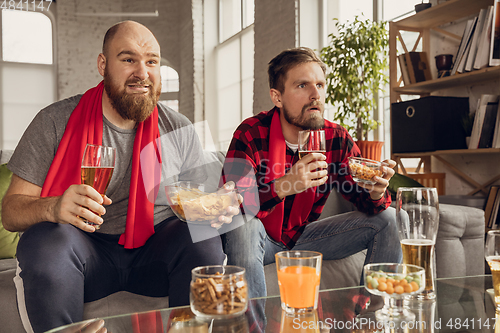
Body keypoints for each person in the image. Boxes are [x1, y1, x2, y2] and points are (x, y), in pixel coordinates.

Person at [2, 21, 239, 333]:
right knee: (45, 241)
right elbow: (10, 213)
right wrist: (53, 207)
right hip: (83, 252)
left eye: (151, 61)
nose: (142, 72)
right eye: (128, 60)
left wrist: (217, 205)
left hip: (154, 253)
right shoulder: (53, 122)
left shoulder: (178, 127)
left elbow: (199, 203)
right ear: (103, 65)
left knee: (204, 239)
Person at [220, 47, 402, 299]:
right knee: (245, 227)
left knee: (389, 219)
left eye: (320, 84)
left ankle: (370, 321)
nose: (316, 95)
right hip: (257, 242)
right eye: (303, 86)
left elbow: (365, 202)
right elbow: (231, 206)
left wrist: (375, 192)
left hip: (305, 238)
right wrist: (283, 186)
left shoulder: (336, 137)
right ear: (277, 97)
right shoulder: (250, 132)